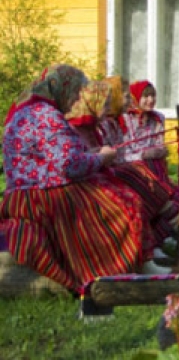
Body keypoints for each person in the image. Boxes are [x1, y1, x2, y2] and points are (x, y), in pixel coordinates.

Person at [0, 65, 156, 293]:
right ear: (63, 89)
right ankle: (111, 271)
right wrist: (101, 158)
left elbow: (57, 159)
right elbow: (70, 165)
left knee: (116, 189)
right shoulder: (46, 115)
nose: (75, 100)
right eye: (74, 92)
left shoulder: (25, 111)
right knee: (120, 202)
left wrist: (92, 156)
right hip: (43, 196)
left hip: (23, 194)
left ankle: (142, 263)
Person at [68, 77, 179, 270]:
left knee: (143, 178)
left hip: (112, 176)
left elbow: (118, 155)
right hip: (92, 186)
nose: (128, 101)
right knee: (139, 178)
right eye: (125, 97)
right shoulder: (88, 126)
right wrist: (106, 156)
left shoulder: (109, 123)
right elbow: (86, 161)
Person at [120, 79, 179, 237]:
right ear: (135, 98)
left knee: (174, 191)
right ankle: (174, 233)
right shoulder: (124, 119)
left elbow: (158, 145)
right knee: (156, 189)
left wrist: (160, 152)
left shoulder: (158, 118)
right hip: (132, 170)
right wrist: (143, 154)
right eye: (146, 96)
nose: (151, 100)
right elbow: (123, 152)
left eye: (153, 96)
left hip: (154, 167)